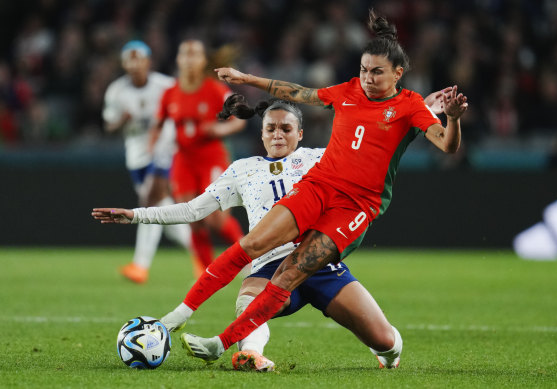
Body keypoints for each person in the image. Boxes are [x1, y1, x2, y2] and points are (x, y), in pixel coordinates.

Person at [93, 88, 452, 371]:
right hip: (268, 265)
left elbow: (377, 140)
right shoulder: (242, 169)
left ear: (299, 132)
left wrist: (426, 112)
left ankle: (389, 353)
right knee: (247, 297)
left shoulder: (322, 159)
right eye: (270, 128)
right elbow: (192, 209)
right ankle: (250, 355)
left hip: (319, 261)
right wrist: (137, 215)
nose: (277, 134)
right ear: (261, 134)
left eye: (285, 128)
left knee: (385, 339)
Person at [149, 39, 247, 276]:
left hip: (211, 158)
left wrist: (220, 129)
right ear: (178, 59)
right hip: (183, 160)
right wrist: (151, 148)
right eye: (186, 54)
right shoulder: (171, 93)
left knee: (216, 219)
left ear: (203, 60)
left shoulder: (214, 89)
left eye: (195, 54)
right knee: (192, 216)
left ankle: (249, 261)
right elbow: (158, 123)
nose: (190, 59)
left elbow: (240, 119)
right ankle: (206, 273)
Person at [102, 40, 192, 284]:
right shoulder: (116, 90)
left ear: (147, 61)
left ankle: (140, 266)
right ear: (123, 63)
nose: (134, 64)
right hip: (136, 156)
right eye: (129, 59)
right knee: (161, 207)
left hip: (164, 150)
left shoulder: (165, 85)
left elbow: (185, 109)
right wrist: (122, 120)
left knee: (149, 206)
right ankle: (199, 254)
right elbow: (108, 125)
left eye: (138, 58)